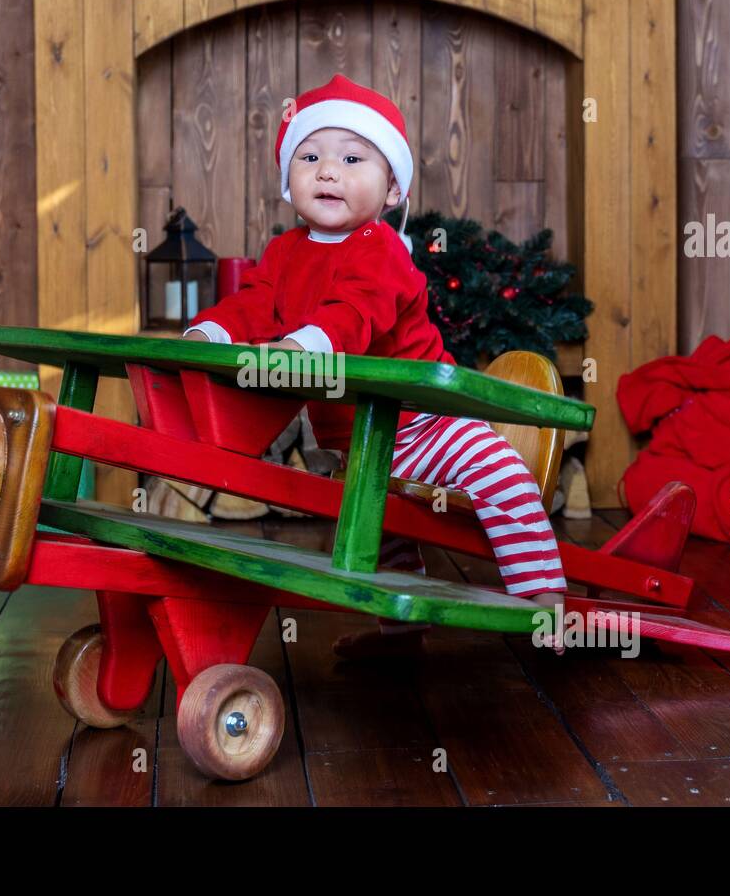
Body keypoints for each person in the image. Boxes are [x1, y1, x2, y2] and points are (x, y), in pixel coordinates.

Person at [183, 74, 565, 658]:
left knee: (499, 472)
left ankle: (544, 602)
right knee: (380, 529)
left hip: (429, 421)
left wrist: (305, 346)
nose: (327, 170)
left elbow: (358, 312)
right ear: (288, 180)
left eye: (352, 157)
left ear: (392, 192)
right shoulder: (285, 253)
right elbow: (254, 304)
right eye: (309, 156)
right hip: (361, 435)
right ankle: (400, 636)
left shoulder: (381, 248)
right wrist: (212, 331)